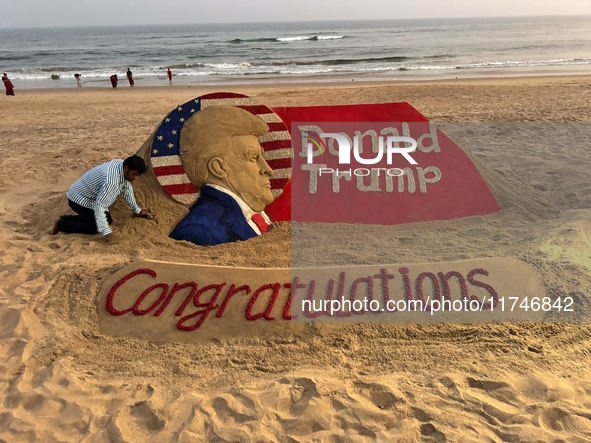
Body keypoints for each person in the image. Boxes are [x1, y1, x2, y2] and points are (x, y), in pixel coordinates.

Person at [169, 106, 274, 246]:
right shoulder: (200, 231)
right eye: (253, 158)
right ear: (218, 168)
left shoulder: (250, 213)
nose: (268, 169)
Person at [51, 155, 151, 242]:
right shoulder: (112, 183)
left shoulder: (120, 164)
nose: (135, 178)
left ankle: (65, 219)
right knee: (96, 227)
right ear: (126, 168)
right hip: (78, 199)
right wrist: (107, 232)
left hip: (86, 196)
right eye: (134, 174)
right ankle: (61, 224)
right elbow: (100, 206)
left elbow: (126, 187)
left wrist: (137, 210)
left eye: (137, 175)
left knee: (104, 219)